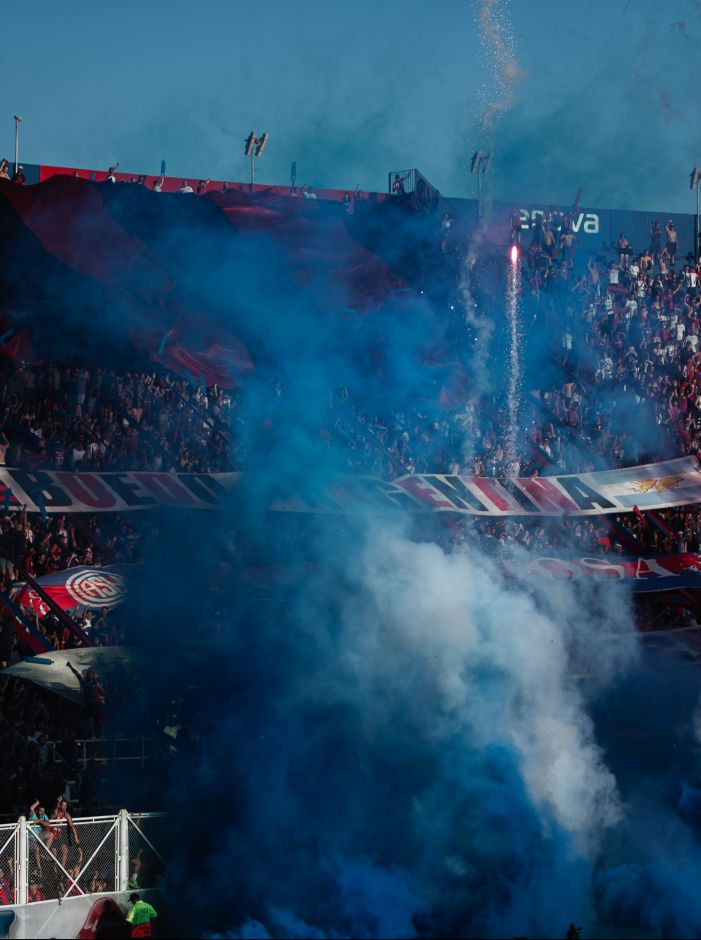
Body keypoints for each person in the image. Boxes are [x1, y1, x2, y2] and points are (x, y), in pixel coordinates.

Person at [50, 796, 80, 869]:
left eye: (66, 806)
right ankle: (55, 873)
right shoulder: (56, 812)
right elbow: (56, 808)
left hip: (59, 837)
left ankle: (62, 869)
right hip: (51, 837)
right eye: (63, 805)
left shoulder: (67, 815)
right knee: (54, 856)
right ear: (60, 805)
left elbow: (71, 826)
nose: (64, 807)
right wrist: (58, 801)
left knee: (65, 851)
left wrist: (75, 837)